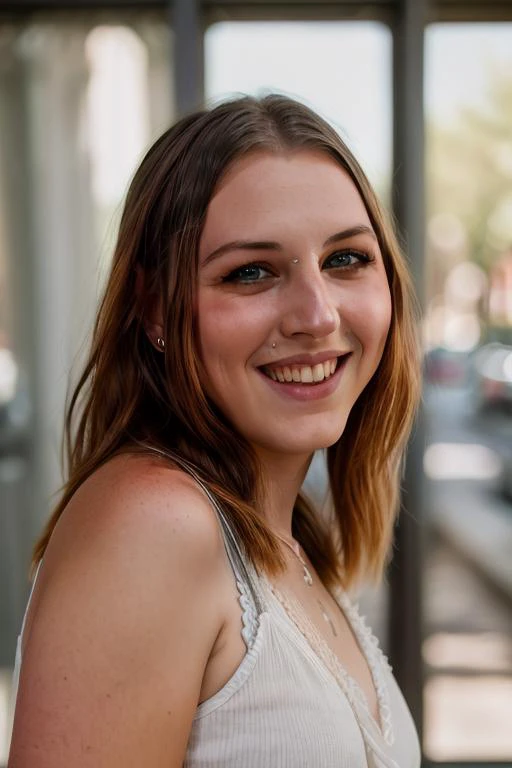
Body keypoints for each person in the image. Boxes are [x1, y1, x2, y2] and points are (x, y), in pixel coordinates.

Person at [8, 94, 422, 767]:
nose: (316, 316)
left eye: (346, 259)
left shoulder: (290, 544)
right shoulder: (155, 525)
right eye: (250, 272)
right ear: (155, 311)